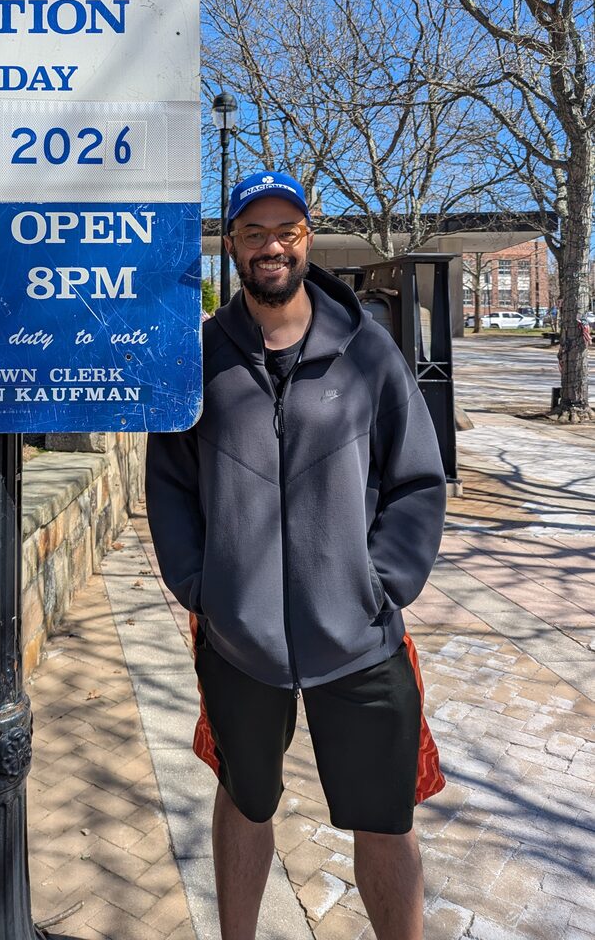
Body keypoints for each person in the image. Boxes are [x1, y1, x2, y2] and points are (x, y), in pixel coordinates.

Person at [146, 171, 447, 940]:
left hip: (360, 637)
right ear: (233, 246)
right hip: (240, 639)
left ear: (307, 240)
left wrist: (383, 583)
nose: (270, 246)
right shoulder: (197, 359)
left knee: (385, 815)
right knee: (246, 799)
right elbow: (170, 485)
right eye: (253, 233)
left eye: (286, 231)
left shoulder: (369, 353)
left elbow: (417, 479)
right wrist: (201, 587)